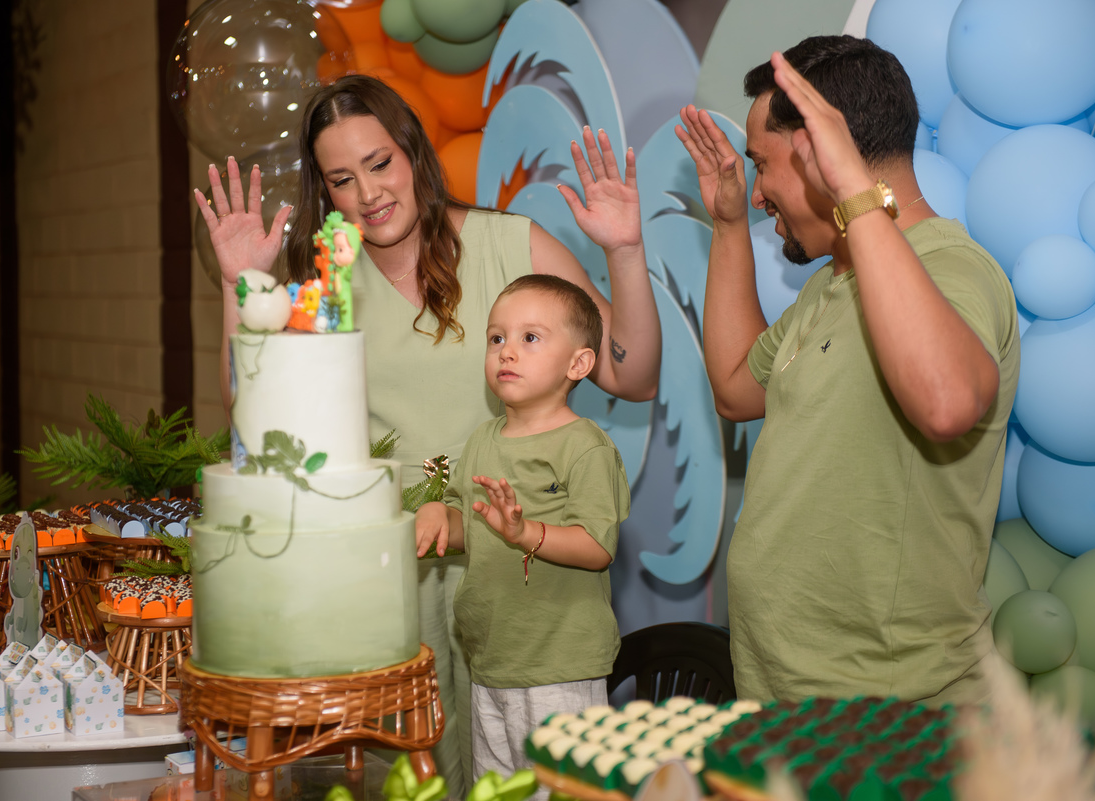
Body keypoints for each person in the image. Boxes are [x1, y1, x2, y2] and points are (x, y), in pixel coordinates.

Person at [195, 75, 660, 795]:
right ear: (325, 191)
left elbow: (631, 373)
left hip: (517, 574)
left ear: (413, 151)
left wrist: (625, 251)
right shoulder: (324, 284)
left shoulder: (511, 243)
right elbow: (254, 414)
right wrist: (238, 285)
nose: (368, 193)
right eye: (342, 179)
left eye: (380, 163)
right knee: (409, 777)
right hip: (394, 578)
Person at [675, 35, 1019, 705]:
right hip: (787, 692)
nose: (758, 193)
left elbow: (946, 403)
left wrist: (854, 191)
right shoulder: (832, 283)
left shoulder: (952, 268)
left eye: (763, 165)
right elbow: (736, 387)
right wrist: (726, 225)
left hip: (885, 708)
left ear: (820, 152)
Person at [415, 274, 628, 790]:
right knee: (499, 790)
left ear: (578, 364)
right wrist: (440, 516)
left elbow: (597, 547)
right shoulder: (482, 439)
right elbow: (472, 525)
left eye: (530, 338)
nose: (506, 351)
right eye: (497, 338)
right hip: (493, 661)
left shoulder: (585, 447)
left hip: (561, 666)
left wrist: (526, 532)